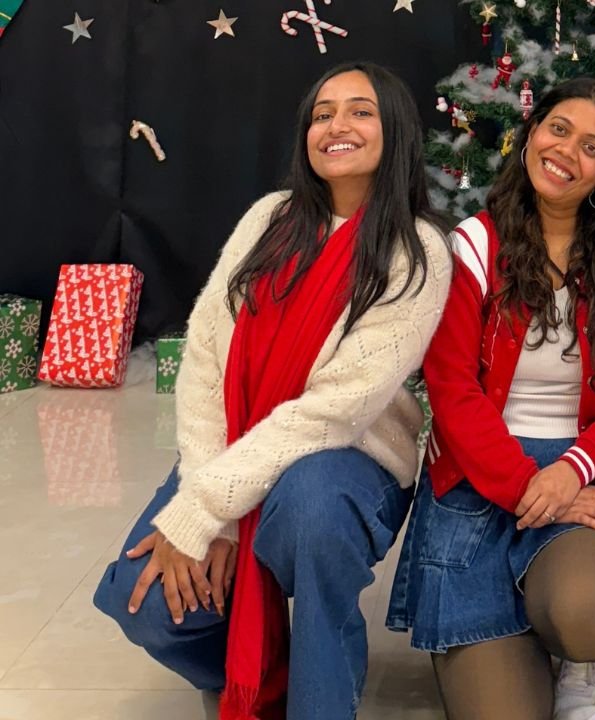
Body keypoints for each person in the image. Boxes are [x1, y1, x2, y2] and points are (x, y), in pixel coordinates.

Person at [92, 62, 452, 720]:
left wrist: (210, 507)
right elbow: (206, 355)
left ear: (395, 129)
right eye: (322, 114)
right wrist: (213, 504)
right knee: (142, 603)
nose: (337, 125)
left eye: (361, 111)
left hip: (349, 460)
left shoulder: (416, 250)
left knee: (311, 513)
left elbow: (335, 410)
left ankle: (320, 696)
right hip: (236, 445)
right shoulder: (269, 219)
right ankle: (255, 665)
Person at [386, 77, 595, 720]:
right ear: (531, 133)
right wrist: (525, 485)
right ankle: (526, 631)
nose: (566, 151)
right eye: (558, 129)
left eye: (591, 147)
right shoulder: (474, 244)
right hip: (478, 473)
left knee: (588, 619)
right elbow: (452, 389)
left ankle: (575, 652)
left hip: (586, 467)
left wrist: (571, 473)